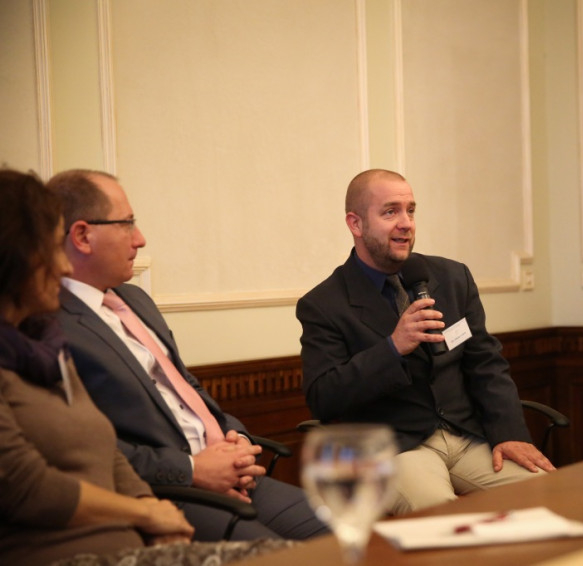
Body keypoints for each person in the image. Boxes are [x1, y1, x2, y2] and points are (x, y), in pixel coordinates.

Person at [0, 169, 295, 566]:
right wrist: (157, 503)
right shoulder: (58, 329)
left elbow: (127, 433)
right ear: (15, 257)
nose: (63, 267)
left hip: (168, 504)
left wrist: (235, 441)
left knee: (347, 538)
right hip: (111, 525)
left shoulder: (46, 343)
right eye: (52, 247)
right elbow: (28, 486)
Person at [296, 169, 554, 515]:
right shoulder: (324, 304)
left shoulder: (451, 277)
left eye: (411, 210)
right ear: (355, 224)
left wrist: (510, 433)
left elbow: (486, 364)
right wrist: (392, 348)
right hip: (397, 448)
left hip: (467, 435)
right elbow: (323, 397)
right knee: (443, 518)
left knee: (549, 494)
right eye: (390, 212)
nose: (406, 223)